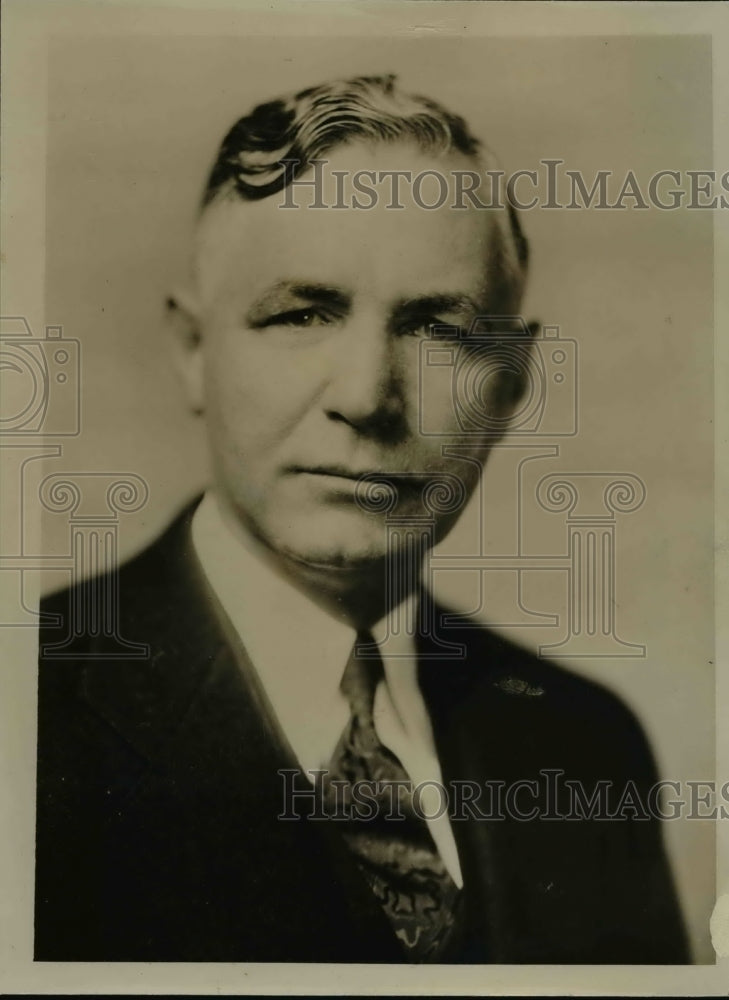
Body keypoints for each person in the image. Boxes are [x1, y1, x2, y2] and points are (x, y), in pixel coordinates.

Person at [35, 74, 688, 963]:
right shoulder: (28, 721)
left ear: (511, 381)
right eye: (302, 313)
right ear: (192, 350)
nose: (367, 395)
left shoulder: (584, 746)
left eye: (438, 330)